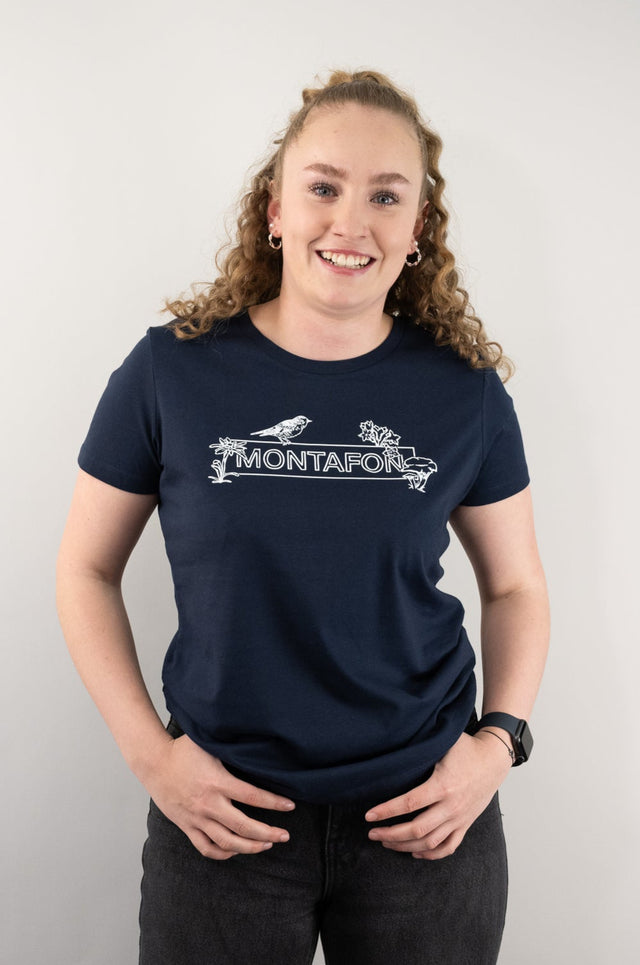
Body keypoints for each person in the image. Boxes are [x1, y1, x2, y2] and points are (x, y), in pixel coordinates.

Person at [56, 69, 550, 965]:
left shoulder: (464, 392)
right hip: (222, 818)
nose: (350, 221)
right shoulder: (170, 372)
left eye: (386, 196)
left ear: (418, 229)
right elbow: (84, 569)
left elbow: (515, 586)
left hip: (425, 818)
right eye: (324, 187)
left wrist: (496, 743)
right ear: (276, 209)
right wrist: (151, 756)